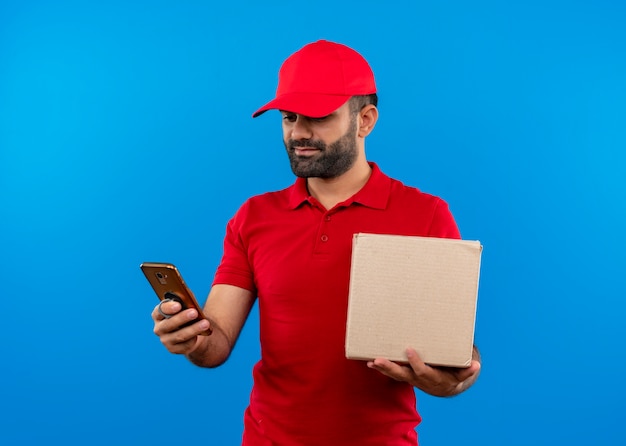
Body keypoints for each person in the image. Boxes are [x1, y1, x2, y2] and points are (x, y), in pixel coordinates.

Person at [152, 39, 481, 445]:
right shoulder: (253, 218)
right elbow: (214, 344)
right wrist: (191, 336)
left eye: (317, 117)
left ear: (366, 120)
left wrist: (450, 379)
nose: (299, 133)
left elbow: (454, 355)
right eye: (289, 117)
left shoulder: (426, 214)